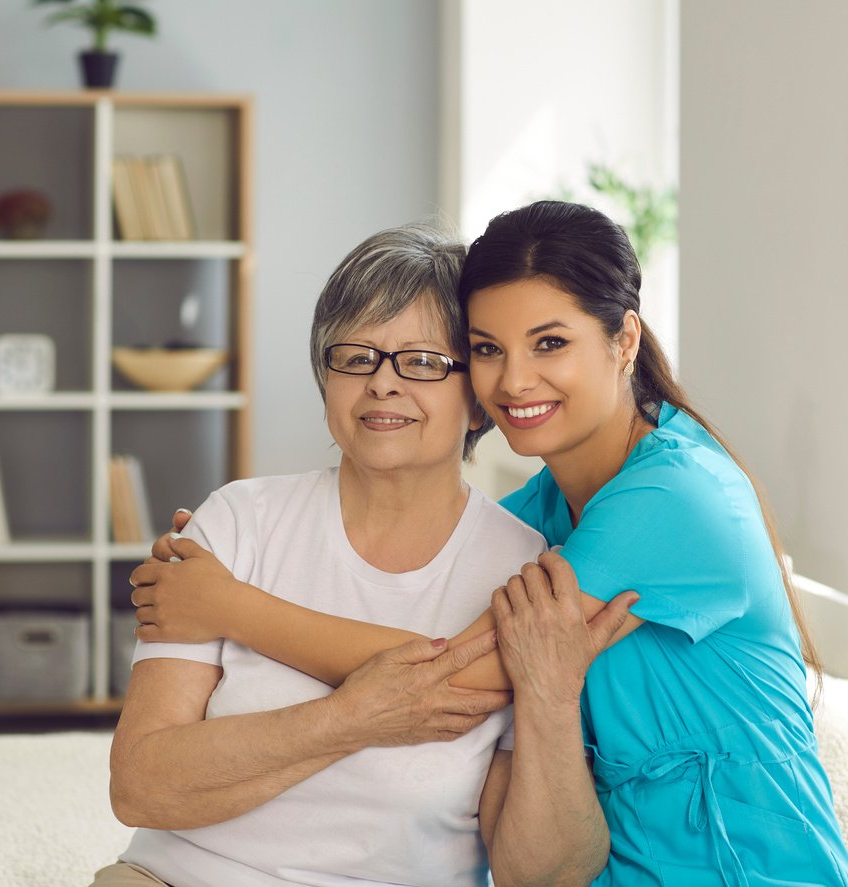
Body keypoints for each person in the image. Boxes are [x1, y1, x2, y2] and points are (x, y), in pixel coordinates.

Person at [136, 201, 848, 885]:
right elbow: (451, 576)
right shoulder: (538, 520)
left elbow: (452, 680)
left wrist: (227, 605)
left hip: (740, 869)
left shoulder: (678, 498)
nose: (513, 379)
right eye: (487, 348)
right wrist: (209, 553)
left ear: (624, 340)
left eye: (549, 343)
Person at [96, 220, 635, 887]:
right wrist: (347, 718)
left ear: (477, 402)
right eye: (355, 356)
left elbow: (544, 875)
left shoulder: (521, 574)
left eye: (422, 361)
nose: (382, 383)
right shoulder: (234, 523)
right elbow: (141, 786)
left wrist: (551, 698)